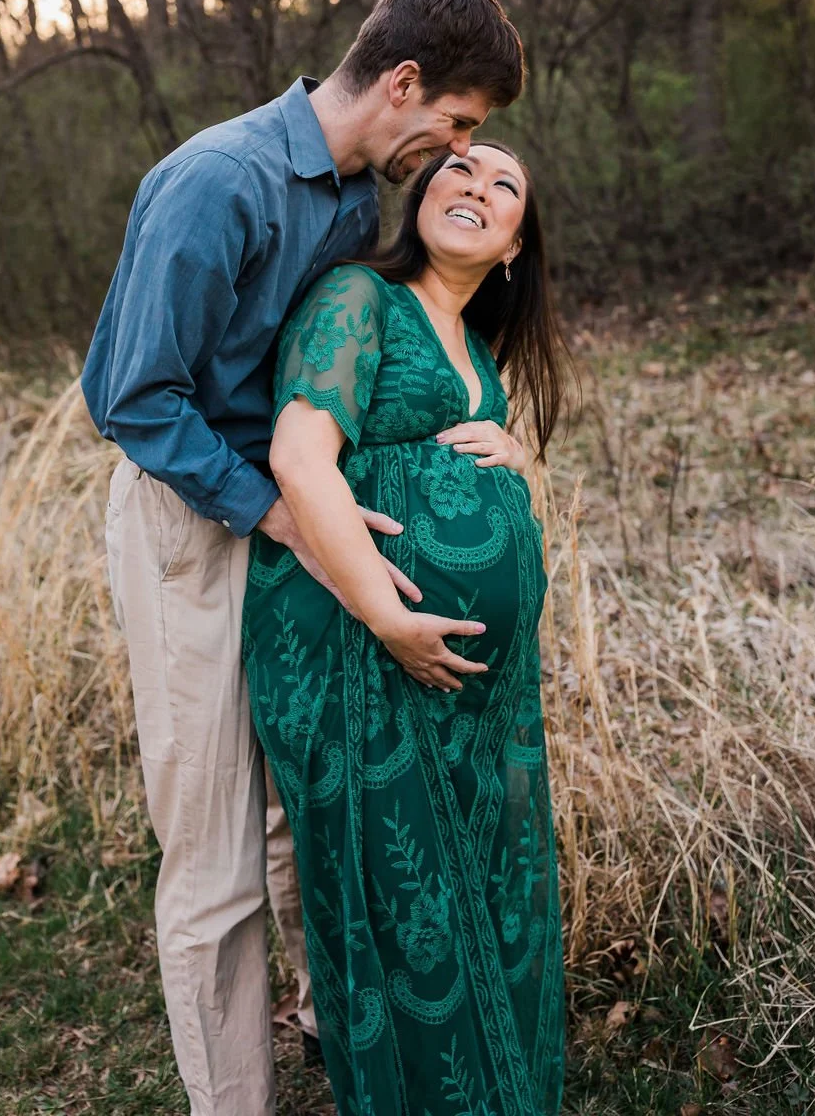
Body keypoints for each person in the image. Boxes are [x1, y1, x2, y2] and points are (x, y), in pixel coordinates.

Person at [80, 0, 526, 1116]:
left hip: (289, 523)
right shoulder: (217, 181)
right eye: (459, 125)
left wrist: (476, 450)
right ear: (406, 83)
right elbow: (131, 395)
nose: (455, 151)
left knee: (301, 809)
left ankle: (347, 1037)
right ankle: (234, 1101)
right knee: (217, 847)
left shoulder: (342, 198)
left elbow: (349, 371)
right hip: (195, 517)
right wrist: (279, 505)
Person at [242, 140, 570, 1115]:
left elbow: (471, 470)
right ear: (419, 195)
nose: (475, 187)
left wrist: (516, 460)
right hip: (358, 641)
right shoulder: (358, 300)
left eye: (503, 185)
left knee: (482, 874)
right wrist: (389, 619)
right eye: (458, 171)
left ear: (515, 245)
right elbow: (302, 460)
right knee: (401, 892)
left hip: (474, 691)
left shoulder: (476, 345)